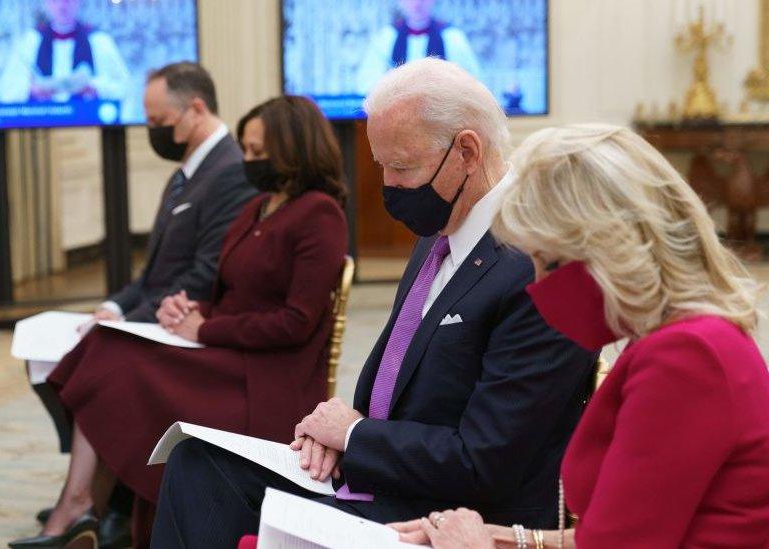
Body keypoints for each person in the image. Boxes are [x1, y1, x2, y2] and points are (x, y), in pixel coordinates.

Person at [150, 58, 597, 549]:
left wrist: (357, 436)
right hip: (387, 471)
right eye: (381, 165)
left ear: (467, 151)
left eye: (401, 167)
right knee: (197, 464)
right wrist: (334, 432)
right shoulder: (442, 231)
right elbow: (399, 376)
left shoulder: (538, 263)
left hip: (450, 512)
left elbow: (483, 462)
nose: (388, 185)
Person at [391, 124, 769, 548]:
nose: (535, 285)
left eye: (548, 263)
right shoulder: (683, 338)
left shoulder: (685, 356)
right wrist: (507, 539)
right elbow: (622, 531)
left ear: (612, 252)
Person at [8, 95, 349, 548]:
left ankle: (85, 506)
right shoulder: (259, 207)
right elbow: (227, 292)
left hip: (266, 376)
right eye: (246, 149)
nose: (248, 161)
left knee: (116, 362)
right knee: (106, 345)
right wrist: (189, 311)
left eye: (257, 151)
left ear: (293, 149)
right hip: (227, 353)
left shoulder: (319, 214)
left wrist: (204, 329)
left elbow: (295, 323)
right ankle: (87, 505)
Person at [26, 61, 257, 545]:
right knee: (48, 352)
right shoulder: (187, 173)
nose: (154, 133)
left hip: (188, 324)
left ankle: (90, 502)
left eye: (158, 123)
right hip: (155, 314)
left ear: (195, 109)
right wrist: (112, 309)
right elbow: (152, 273)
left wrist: (126, 324)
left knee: (99, 359)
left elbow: (204, 276)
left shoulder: (229, 170)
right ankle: (103, 497)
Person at [0, 0, 130, 103]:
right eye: (56, 0)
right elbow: (7, 90)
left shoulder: (98, 40)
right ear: (47, 3)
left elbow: (123, 87)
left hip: (86, 125)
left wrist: (94, 87)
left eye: (68, 0)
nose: (62, 6)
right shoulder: (31, 41)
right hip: (42, 125)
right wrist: (32, 90)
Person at [356, 0, 481, 94]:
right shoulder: (387, 37)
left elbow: (471, 81)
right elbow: (366, 82)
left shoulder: (451, 36)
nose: (417, 3)